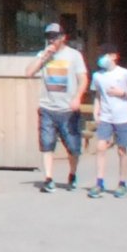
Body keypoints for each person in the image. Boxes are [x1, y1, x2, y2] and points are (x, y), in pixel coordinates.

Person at [32, 21, 89, 195]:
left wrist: (78, 97)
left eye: (54, 37)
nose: (51, 41)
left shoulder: (74, 56)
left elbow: (84, 79)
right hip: (47, 107)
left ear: (63, 37)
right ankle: (48, 178)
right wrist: (43, 58)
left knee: (72, 147)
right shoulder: (43, 54)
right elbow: (28, 72)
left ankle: (72, 174)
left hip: (67, 109)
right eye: (48, 37)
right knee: (47, 144)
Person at [87, 49, 127, 199]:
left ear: (114, 56)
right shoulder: (97, 76)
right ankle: (99, 182)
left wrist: (123, 93)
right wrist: (96, 110)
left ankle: (122, 183)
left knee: (121, 150)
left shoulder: (124, 73)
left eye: (104, 55)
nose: (102, 59)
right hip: (106, 116)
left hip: (122, 117)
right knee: (100, 147)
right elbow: (99, 95)